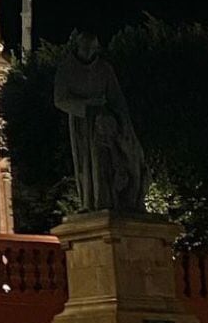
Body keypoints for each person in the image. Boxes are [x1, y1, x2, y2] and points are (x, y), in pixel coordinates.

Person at [54, 31, 148, 213]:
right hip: (82, 123)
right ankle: (90, 203)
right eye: (85, 48)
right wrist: (86, 106)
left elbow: (117, 98)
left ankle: (109, 201)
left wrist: (121, 122)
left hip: (105, 122)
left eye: (92, 48)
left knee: (107, 161)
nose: (89, 52)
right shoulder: (66, 69)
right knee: (86, 164)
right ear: (78, 47)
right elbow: (60, 100)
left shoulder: (104, 69)